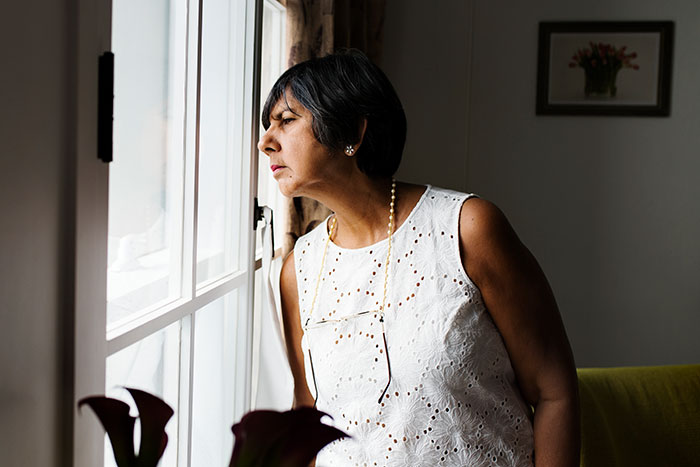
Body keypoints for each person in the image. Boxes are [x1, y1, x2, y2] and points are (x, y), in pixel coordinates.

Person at [257, 50, 579, 467]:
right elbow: (308, 414)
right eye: (268, 125)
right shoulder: (297, 269)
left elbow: (554, 391)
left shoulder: (467, 229)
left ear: (353, 130)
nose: (265, 141)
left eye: (286, 120)